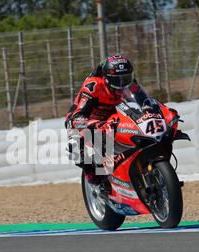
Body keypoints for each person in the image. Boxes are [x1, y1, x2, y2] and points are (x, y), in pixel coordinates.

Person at [64, 54, 157, 189]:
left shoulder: (129, 84)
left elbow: (143, 99)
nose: (123, 84)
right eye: (117, 80)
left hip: (111, 117)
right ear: (106, 78)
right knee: (74, 146)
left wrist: (148, 109)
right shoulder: (93, 86)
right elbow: (78, 115)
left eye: (126, 78)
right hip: (86, 119)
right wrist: (95, 125)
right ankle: (93, 176)